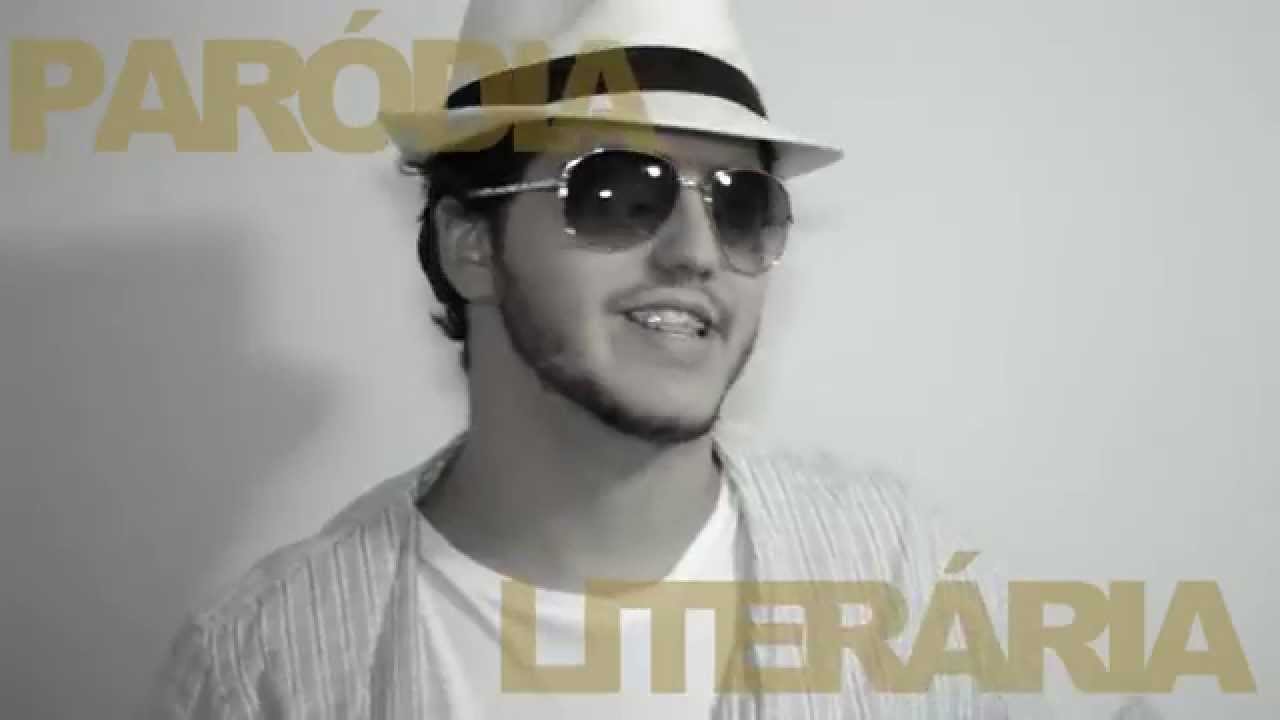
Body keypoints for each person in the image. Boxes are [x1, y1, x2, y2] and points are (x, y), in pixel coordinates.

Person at [147, 0, 1021, 717]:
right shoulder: (265, 669)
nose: (697, 251)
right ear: (470, 245)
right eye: (618, 192)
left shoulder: (900, 578)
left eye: (741, 205)